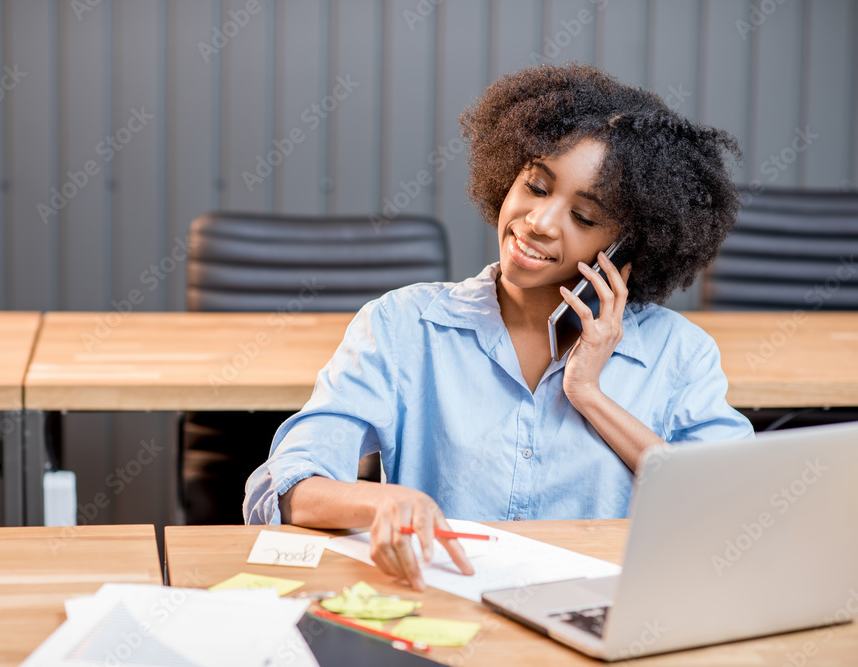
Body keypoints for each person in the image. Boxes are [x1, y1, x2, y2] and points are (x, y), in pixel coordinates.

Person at [243, 63, 754, 591]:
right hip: (445, 614)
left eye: (584, 217)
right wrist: (384, 500)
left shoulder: (679, 353)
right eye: (536, 185)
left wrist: (590, 394)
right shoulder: (404, 326)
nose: (540, 221)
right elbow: (282, 488)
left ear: (630, 247)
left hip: (598, 622)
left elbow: (731, 513)